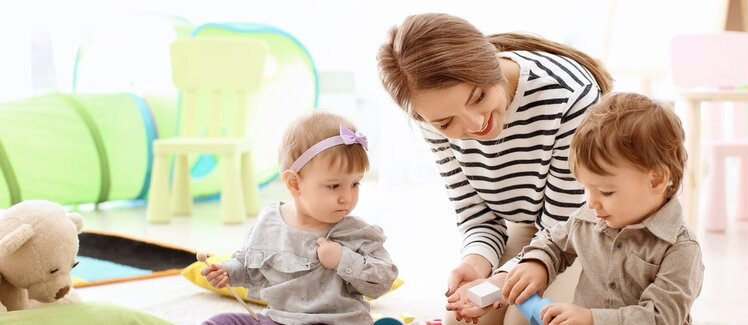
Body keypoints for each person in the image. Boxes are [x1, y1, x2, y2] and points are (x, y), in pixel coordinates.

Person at [377, 13, 613, 324]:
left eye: (478, 97)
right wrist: (476, 263)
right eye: (447, 123)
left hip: (586, 230)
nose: (475, 125)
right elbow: (477, 216)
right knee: (460, 318)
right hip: (531, 225)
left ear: (491, 63)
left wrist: (503, 279)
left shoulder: (567, 95)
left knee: (522, 317)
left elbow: (563, 227)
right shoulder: (433, 119)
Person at [501, 92, 704, 324]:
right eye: (586, 188)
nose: (590, 202)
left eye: (606, 192)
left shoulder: (680, 249)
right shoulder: (588, 218)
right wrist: (538, 263)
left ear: (656, 180)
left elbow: (661, 317)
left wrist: (592, 319)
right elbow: (553, 242)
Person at [200, 112, 398, 325]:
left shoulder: (355, 232)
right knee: (221, 321)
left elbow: (383, 280)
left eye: (355, 184)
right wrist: (229, 271)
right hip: (280, 320)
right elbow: (248, 265)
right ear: (295, 184)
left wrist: (343, 259)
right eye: (334, 186)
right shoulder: (270, 222)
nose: (347, 198)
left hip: (337, 322)